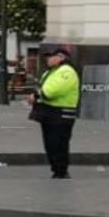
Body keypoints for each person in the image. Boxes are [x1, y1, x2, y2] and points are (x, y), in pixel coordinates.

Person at [29, 45, 80, 178]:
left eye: (50, 56)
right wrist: (36, 94)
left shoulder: (66, 71)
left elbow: (52, 91)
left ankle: (61, 171)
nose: (47, 59)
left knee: (58, 143)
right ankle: (56, 169)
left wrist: (36, 95)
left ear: (60, 57)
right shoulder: (50, 71)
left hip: (61, 113)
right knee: (49, 143)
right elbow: (40, 87)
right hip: (48, 112)